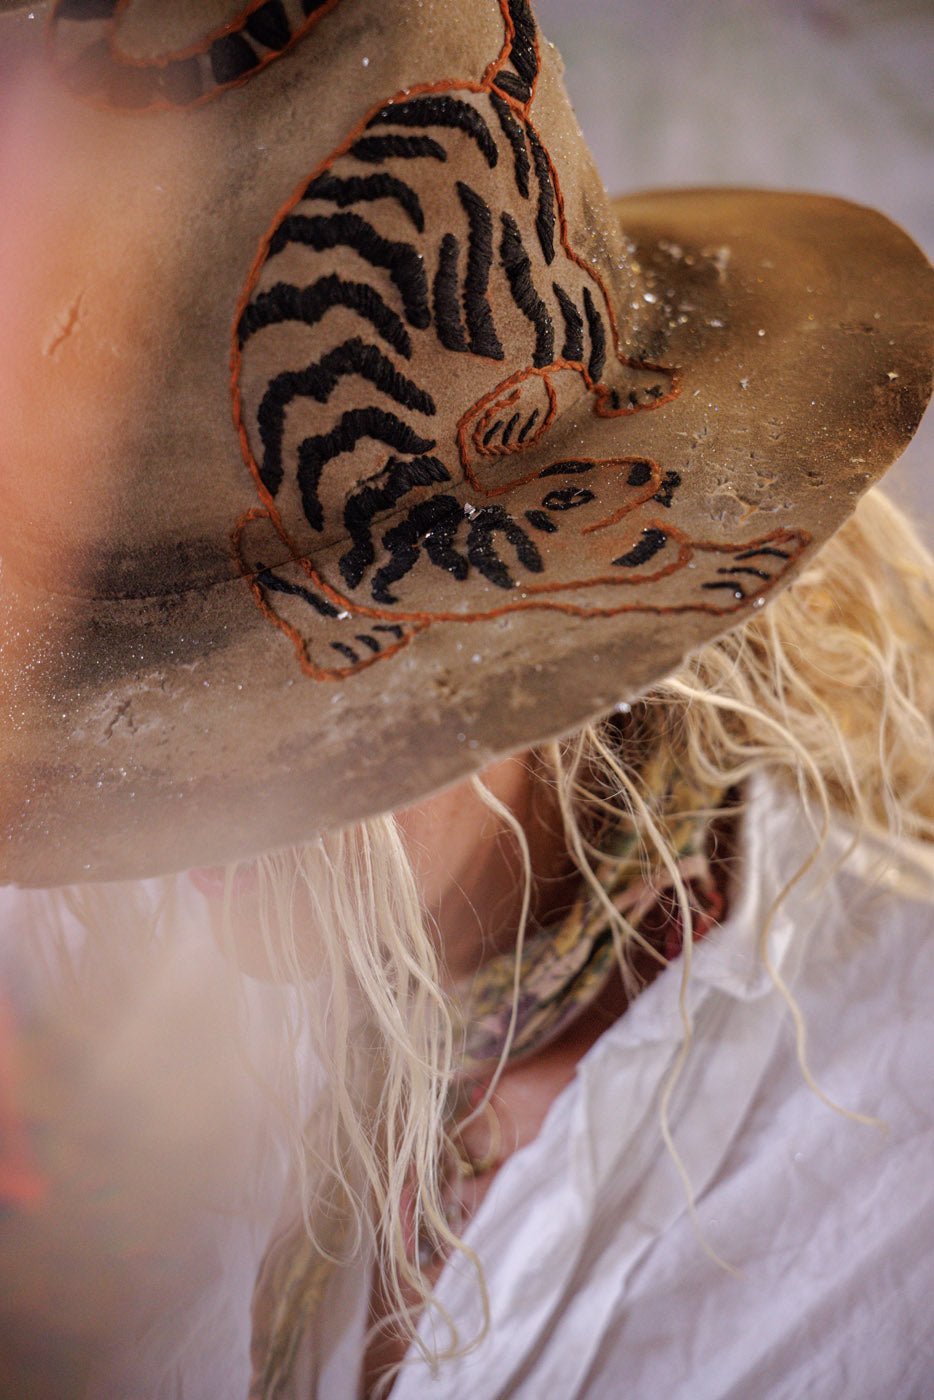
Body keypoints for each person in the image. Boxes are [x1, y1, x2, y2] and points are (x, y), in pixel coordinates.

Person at [1, 2, 933, 1397]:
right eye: (108, 683)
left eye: (223, 690)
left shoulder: (894, 1172)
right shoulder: (74, 1004)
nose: (150, 796)